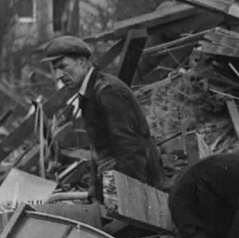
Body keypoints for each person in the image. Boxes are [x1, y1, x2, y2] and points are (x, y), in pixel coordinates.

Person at [41, 35, 164, 188]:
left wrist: (125, 197)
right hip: (117, 180)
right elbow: (101, 151)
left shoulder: (107, 91)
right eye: (55, 69)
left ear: (82, 62)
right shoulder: (91, 92)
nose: (59, 75)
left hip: (138, 184)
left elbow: (129, 150)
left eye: (63, 66)